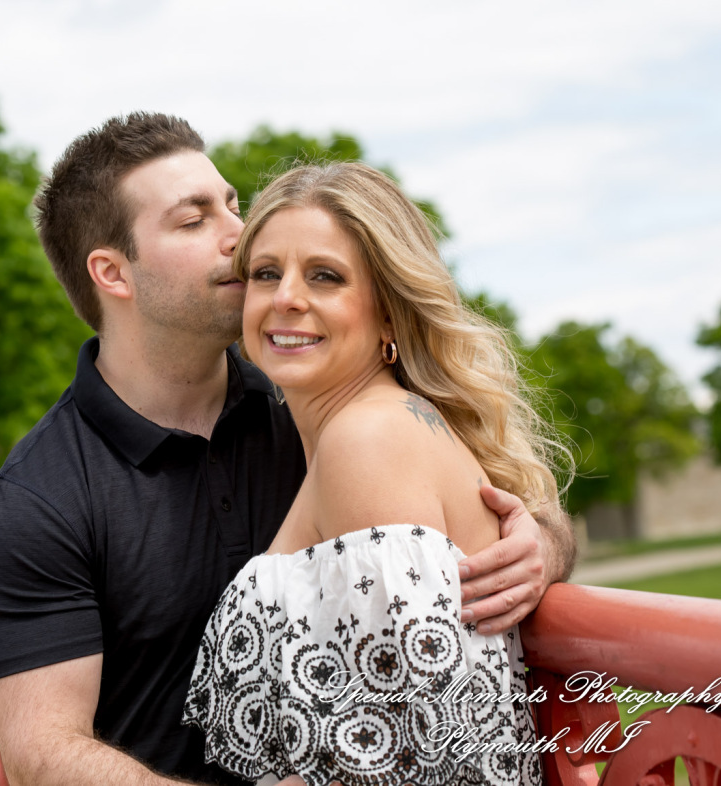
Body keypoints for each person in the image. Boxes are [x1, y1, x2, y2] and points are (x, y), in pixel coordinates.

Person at [0, 113, 576, 786]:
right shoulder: (37, 499)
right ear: (112, 273)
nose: (237, 235)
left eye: (232, 205)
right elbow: (41, 756)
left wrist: (544, 541)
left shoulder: (328, 405)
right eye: (194, 221)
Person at [182, 161, 569, 785]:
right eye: (266, 274)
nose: (286, 298)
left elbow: (400, 759)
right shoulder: (368, 427)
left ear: (390, 315)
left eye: (326, 277)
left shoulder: (369, 439)